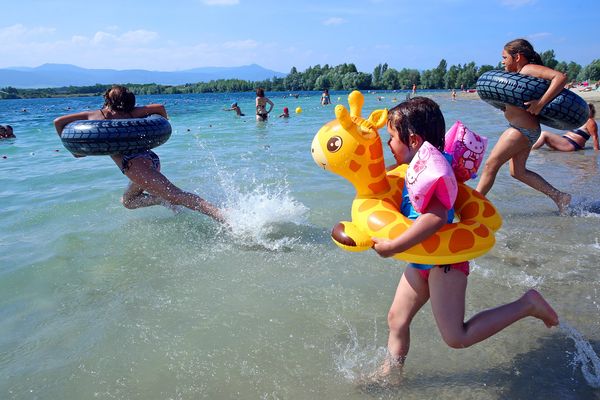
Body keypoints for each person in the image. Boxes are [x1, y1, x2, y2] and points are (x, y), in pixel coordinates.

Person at [370, 97, 558, 381]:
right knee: (396, 318)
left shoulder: (434, 171)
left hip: (445, 262)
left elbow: (434, 217)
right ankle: (390, 375)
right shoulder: (416, 166)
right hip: (423, 258)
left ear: (412, 140)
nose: (388, 145)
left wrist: (394, 246)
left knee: (456, 336)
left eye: (391, 138)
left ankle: (527, 304)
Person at [53, 85, 223, 222]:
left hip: (135, 167)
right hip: (150, 160)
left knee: (175, 194)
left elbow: (58, 121)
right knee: (128, 202)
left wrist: (75, 151)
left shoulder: (97, 115)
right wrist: (159, 126)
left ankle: (222, 215)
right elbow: (161, 108)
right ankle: (162, 199)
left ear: (107, 100)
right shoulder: (133, 113)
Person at [475, 39, 571, 213]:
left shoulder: (527, 69)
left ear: (517, 57)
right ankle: (560, 197)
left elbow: (560, 77)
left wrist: (541, 103)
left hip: (521, 130)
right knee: (517, 172)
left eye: (505, 57)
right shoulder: (518, 76)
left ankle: (473, 207)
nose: (502, 61)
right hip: (525, 130)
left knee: (491, 165)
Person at [532, 103, 598, 151]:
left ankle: (530, 150)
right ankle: (530, 150)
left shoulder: (590, 121)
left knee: (544, 134)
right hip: (565, 142)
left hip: (571, 145)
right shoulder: (579, 120)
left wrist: (596, 150)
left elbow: (595, 137)